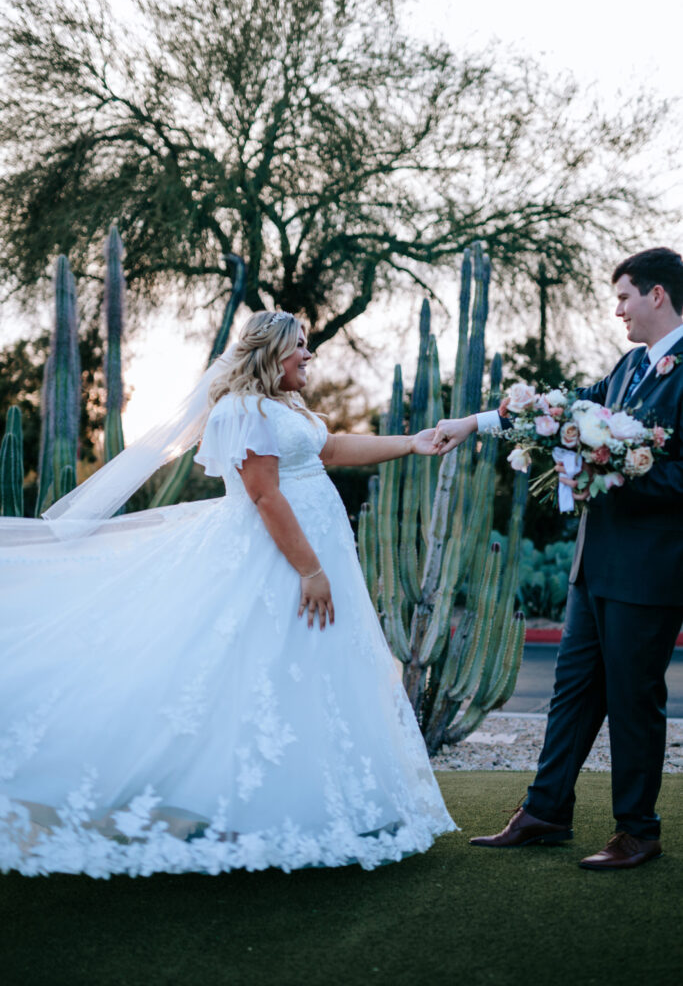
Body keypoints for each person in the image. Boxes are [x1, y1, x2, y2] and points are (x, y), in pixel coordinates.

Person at [0, 310, 455, 877]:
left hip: (314, 551)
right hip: (279, 560)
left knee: (305, 671)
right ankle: (227, 808)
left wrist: (411, 443)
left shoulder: (285, 406)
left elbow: (330, 449)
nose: (309, 356)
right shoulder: (243, 410)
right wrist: (310, 570)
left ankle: (306, 801)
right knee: (253, 673)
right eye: (300, 348)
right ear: (271, 354)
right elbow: (264, 496)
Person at [433, 247, 683, 870]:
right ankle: (545, 810)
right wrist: (475, 421)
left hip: (650, 572)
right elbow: (559, 414)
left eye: (625, 296)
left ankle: (638, 831)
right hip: (592, 565)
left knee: (632, 700)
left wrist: (621, 468)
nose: (617, 309)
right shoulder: (628, 367)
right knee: (571, 694)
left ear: (657, 295)